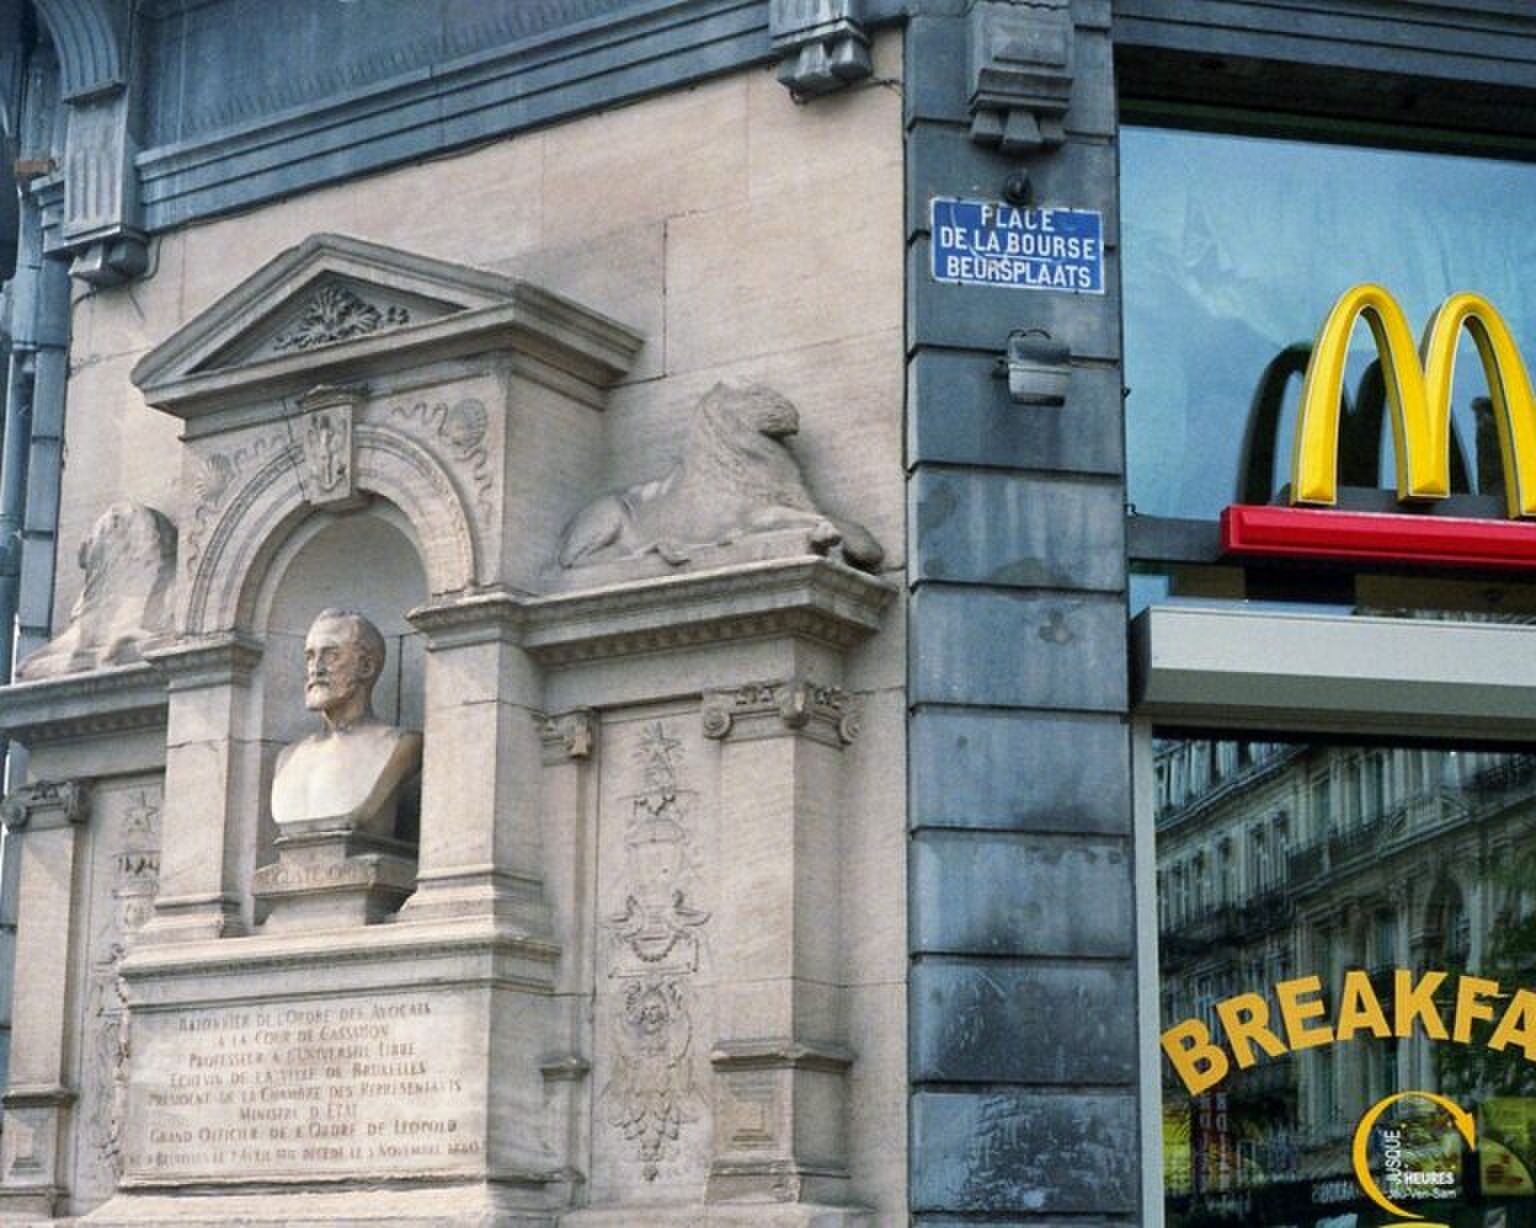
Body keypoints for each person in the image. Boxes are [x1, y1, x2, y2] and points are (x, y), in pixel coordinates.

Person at [269, 608, 422, 837]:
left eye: (331, 655)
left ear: (366, 667)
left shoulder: (402, 745)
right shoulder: (288, 756)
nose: (315, 669)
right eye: (310, 656)